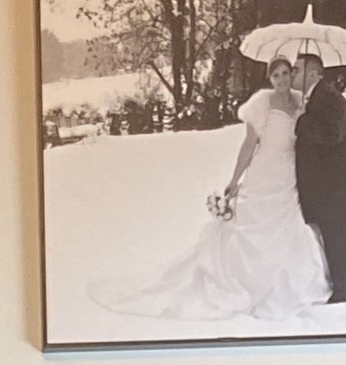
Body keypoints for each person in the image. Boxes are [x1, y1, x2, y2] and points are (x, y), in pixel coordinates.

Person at [90, 58, 326, 325]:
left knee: (288, 228)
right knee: (249, 228)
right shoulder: (261, 103)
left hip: (289, 176)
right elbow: (249, 144)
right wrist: (235, 179)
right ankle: (243, 282)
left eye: (285, 73)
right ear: (269, 79)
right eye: (276, 76)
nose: (282, 80)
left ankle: (283, 283)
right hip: (264, 174)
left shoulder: (301, 101)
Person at [292, 54, 346, 304]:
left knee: (340, 244)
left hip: (338, 190)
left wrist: (302, 121)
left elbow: (333, 134)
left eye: (297, 70)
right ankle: (339, 290)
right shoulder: (316, 98)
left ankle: (343, 297)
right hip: (330, 191)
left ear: (313, 73)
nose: (293, 74)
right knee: (334, 243)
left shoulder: (329, 97)